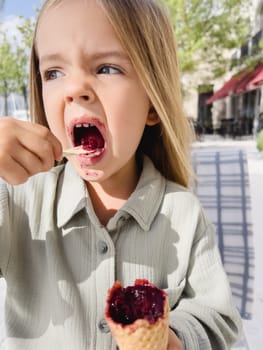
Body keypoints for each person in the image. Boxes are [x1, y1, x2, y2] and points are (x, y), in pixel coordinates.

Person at [0, 0, 242, 349]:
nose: (74, 89)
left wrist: (173, 339)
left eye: (107, 68)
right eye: (53, 72)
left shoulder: (184, 213)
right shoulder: (19, 201)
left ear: (153, 105)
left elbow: (216, 317)